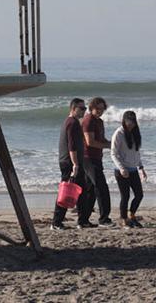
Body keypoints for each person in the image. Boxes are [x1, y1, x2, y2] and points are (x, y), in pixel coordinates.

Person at [51, 98, 94, 230]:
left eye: (85, 108)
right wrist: (75, 164)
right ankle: (56, 222)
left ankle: (82, 221)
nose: (84, 111)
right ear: (73, 109)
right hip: (69, 163)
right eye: (81, 108)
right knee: (66, 192)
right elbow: (72, 146)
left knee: (80, 191)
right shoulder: (72, 123)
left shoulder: (73, 122)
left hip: (72, 162)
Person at [111, 110, 148, 228]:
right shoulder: (119, 133)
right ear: (124, 121)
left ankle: (132, 215)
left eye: (132, 121)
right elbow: (113, 153)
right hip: (121, 171)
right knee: (125, 196)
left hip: (133, 169)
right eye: (128, 122)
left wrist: (141, 167)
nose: (130, 124)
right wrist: (121, 168)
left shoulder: (135, 133)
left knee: (139, 195)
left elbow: (136, 153)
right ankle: (124, 219)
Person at [82, 97, 112, 226]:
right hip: (88, 158)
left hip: (97, 157)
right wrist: (107, 146)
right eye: (97, 109)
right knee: (101, 187)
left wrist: (113, 143)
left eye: (102, 109)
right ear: (91, 108)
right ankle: (104, 219)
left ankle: (83, 220)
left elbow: (102, 139)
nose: (100, 111)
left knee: (90, 189)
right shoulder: (88, 120)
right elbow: (90, 142)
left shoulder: (99, 121)